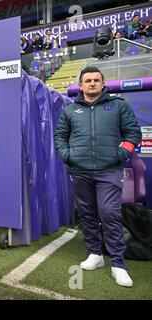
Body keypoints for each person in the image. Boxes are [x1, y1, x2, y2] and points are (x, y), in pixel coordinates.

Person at [54, 66, 141, 287]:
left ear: (103, 84)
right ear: (81, 85)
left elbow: (133, 133)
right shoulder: (70, 110)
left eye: (96, 80)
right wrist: (67, 156)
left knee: (109, 213)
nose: (92, 83)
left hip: (109, 171)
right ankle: (95, 254)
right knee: (87, 213)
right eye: (88, 80)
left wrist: (120, 154)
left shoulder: (118, 106)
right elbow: (60, 136)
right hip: (80, 171)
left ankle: (118, 264)